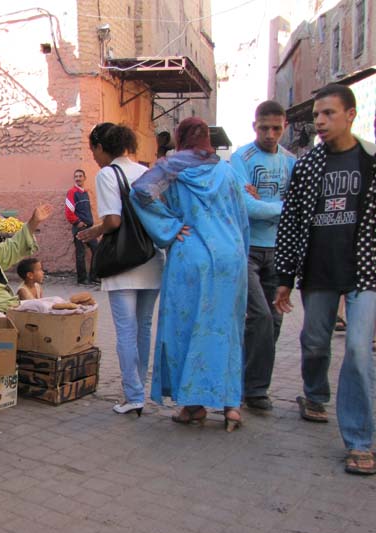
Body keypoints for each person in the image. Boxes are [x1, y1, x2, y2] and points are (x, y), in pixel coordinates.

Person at [274, 85, 376, 475]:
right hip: (318, 272)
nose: (319, 121)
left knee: (357, 350)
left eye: (328, 113)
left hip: (364, 271)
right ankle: (315, 394)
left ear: (350, 114)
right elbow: (291, 222)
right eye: (317, 114)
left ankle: (359, 440)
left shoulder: (370, 161)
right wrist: (285, 277)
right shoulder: (309, 165)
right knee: (314, 342)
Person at [130, 117, 250, 431]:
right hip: (229, 258)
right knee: (227, 329)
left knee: (187, 328)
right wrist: (242, 256)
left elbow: (140, 192)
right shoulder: (226, 171)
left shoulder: (171, 169)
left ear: (181, 138)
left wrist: (168, 227)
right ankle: (231, 407)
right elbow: (242, 218)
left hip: (191, 254)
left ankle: (193, 407)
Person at [77, 123, 164, 416]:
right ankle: (140, 389)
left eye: (94, 151)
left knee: (126, 332)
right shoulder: (145, 171)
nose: (94, 158)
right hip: (151, 260)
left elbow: (113, 221)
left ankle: (133, 396)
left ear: (102, 148)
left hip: (123, 263)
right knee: (144, 329)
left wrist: (93, 232)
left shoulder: (107, 174)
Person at [230, 100, 296, 410]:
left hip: (280, 250)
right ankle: (247, 386)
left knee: (275, 322)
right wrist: (284, 207)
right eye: (263, 128)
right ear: (254, 126)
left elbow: (301, 209)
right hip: (249, 249)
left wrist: (269, 208)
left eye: (276, 128)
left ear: (284, 127)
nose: (270, 134)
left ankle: (255, 388)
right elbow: (246, 207)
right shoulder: (240, 158)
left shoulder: (291, 162)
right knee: (259, 316)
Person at [64, 169, 99, 284]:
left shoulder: (85, 193)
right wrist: (77, 222)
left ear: (84, 178)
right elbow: (69, 212)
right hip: (80, 228)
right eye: (76, 176)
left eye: (80, 176)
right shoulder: (72, 192)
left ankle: (93, 277)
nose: (78, 178)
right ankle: (82, 279)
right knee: (80, 253)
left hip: (89, 228)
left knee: (96, 249)